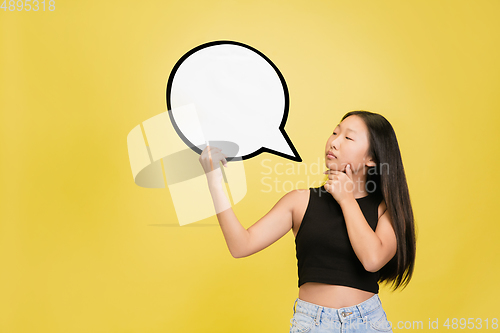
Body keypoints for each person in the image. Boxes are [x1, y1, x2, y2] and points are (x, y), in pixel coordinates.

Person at [199, 111, 416, 333]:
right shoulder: (300, 202)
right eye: (334, 132)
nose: (334, 142)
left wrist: (346, 198)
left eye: (348, 138)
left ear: (372, 159)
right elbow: (240, 245)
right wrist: (214, 182)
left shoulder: (386, 209)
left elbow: (372, 260)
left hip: (368, 323)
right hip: (311, 324)